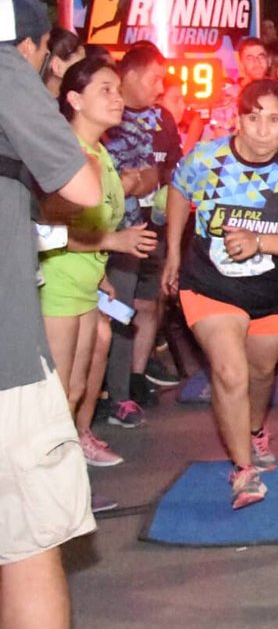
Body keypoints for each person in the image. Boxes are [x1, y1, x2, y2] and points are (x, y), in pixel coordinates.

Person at [0, 0, 106, 629]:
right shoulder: (7, 68)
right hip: (5, 361)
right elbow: (82, 184)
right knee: (27, 543)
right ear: (34, 50)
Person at [163, 80, 278, 508]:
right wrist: (173, 253)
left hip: (273, 293)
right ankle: (243, 470)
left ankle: (254, 431)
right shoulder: (208, 158)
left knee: (259, 373)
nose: (262, 130)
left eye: (273, 120)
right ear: (238, 119)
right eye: (253, 118)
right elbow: (178, 188)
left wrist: (259, 242)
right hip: (210, 285)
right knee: (230, 372)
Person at [39, 60, 159, 473]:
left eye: (117, 90)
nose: (117, 98)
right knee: (56, 397)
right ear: (74, 100)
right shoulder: (67, 156)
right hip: (58, 285)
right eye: (105, 90)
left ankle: (68, 479)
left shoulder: (99, 151)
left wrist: (103, 273)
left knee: (75, 387)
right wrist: (113, 241)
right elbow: (44, 228)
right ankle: (44, 488)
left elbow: (87, 223)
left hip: (85, 283)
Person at [102, 42, 185, 420]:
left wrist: (139, 182)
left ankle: (132, 380)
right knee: (114, 309)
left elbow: (159, 173)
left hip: (149, 225)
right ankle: (109, 389)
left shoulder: (157, 121)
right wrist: (122, 184)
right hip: (104, 232)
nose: (159, 88)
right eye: (154, 79)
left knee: (146, 303)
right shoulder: (102, 124)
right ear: (131, 76)